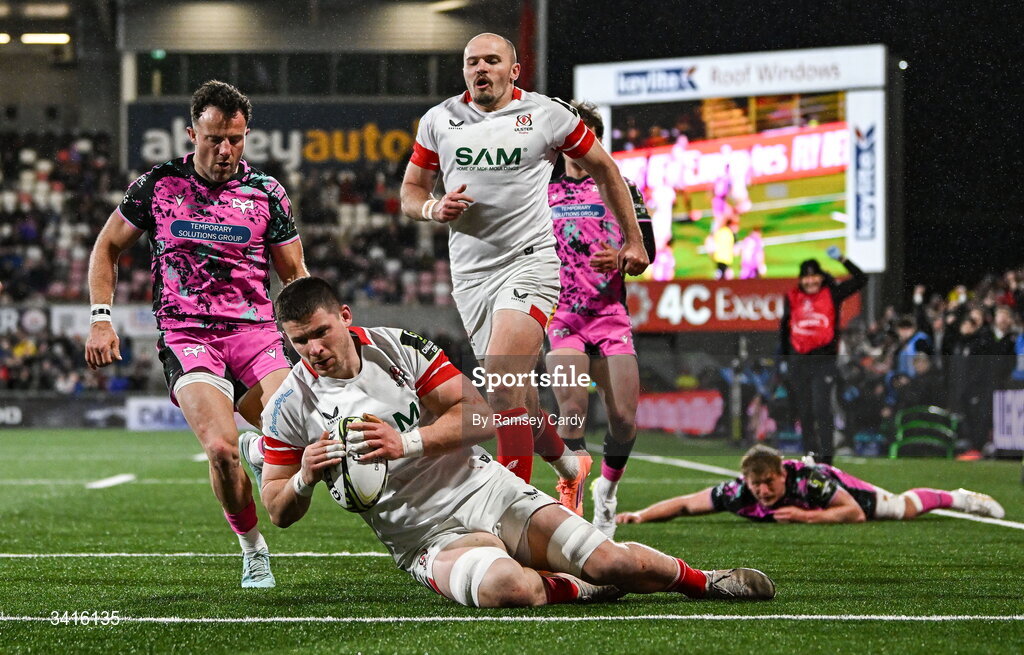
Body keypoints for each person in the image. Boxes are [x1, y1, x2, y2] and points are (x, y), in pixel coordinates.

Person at [254, 277, 775, 608]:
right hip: (425, 538)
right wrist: (303, 476)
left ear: (345, 316)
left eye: (321, 331)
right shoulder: (290, 404)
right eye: (298, 340)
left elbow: (481, 416)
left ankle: (706, 580)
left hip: (486, 489)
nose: (313, 348)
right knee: (509, 588)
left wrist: (406, 443)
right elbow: (277, 508)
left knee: (615, 563)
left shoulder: (398, 346)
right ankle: (577, 587)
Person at [400, 33, 649, 514]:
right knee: (515, 405)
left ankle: (514, 517)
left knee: (501, 373)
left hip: (530, 261)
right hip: (472, 277)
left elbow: (606, 169)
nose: (481, 69)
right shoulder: (439, 121)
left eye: (493, 61)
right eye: (473, 62)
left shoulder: (547, 115)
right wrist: (433, 207)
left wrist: (633, 240)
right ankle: (569, 468)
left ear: (514, 70)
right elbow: (411, 191)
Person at [85, 80, 307, 588]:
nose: (225, 150)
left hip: (256, 335)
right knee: (223, 452)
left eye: (235, 139)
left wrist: (315, 337)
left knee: (296, 430)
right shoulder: (158, 186)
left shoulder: (266, 193)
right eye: (213, 139)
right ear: (192, 134)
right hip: (188, 337)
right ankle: (253, 550)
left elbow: (295, 275)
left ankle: (264, 447)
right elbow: (107, 247)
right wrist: (101, 317)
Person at [545, 101, 656, 538]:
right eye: (571, 135)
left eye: (586, 135)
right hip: (563, 315)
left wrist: (627, 257)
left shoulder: (623, 188)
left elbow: (646, 254)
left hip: (610, 314)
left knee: (625, 419)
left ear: (597, 140)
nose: (578, 144)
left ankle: (606, 495)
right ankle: (569, 495)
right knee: (571, 410)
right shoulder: (543, 189)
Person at [616, 444, 1005, 525]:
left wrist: (805, 517)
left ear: (783, 476)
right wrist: (639, 516)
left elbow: (852, 513)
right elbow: (686, 504)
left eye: (769, 484)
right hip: (822, 503)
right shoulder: (739, 491)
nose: (763, 492)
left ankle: (957, 497)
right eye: (757, 486)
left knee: (901, 508)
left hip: (845, 493)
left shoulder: (810, 482)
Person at [779, 248, 866, 464]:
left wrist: (842, 259)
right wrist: (784, 361)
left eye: (814, 276)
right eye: (806, 277)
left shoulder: (832, 293)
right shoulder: (793, 298)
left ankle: (827, 459)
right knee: (805, 412)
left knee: (821, 408)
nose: (810, 281)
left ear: (820, 276)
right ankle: (810, 455)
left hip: (823, 362)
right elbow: (784, 329)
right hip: (799, 363)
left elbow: (861, 279)